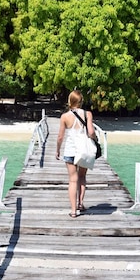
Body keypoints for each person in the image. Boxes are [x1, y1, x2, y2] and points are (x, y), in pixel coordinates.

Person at [56, 90, 95, 218]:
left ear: (70, 101)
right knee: (82, 177)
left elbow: (60, 137)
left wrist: (57, 150)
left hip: (70, 151)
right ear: (81, 101)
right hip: (83, 150)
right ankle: (80, 203)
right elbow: (90, 132)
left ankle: (73, 211)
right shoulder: (87, 114)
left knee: (73, 180)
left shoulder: (64, 117)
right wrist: (95, 140)